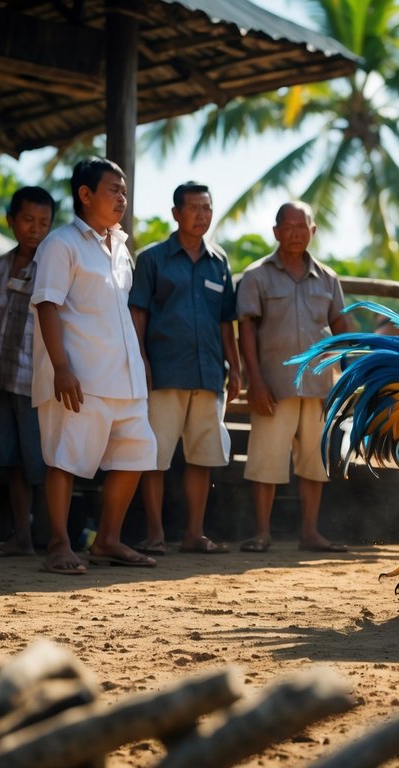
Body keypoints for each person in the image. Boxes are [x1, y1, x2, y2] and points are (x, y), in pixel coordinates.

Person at [31, 157, 158, 575]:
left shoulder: (121, 247)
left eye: (124, 190)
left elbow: (122, 315)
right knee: (65, 458)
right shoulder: (61, 244)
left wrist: (139, 362)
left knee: (137, 453)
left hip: (125, 377)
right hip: (80, 376)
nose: (122, 198)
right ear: (85, 195)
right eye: (113, 190)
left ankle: (107, 540)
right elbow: (48, 305)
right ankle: (58, 543)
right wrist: (62, 367)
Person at [129, 181, 241, 556]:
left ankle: (194, 534)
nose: (201, 215)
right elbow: (138, 313)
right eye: (193, 208)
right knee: (155, 457)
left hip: (210, 373)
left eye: (207, 208)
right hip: (164, 371)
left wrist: (235, 367)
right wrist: (141, 361)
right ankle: (155, 534)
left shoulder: (220, 261)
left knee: (203, 456)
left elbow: (227, 320)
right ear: (176, 213)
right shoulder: (152, 259)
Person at [236, 201, 350, 553]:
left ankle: (311, 533)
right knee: (266, 461)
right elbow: (247, 331)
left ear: (313, 231)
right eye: (288, 226)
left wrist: (346, 376)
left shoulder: (329, 279)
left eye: (302, 227)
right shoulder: (257, 276)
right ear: (275, 232)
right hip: (273, 386)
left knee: (314, 464)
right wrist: (253, 380)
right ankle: (261, 533)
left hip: (318, 386)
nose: (295, 233)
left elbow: (343, 326)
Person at [0, 187, 55, 557]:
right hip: (3, 378)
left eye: (43, 223)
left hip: (37, 381)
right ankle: (21, 535)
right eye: (27, 220)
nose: (34, 229)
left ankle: (53, 536)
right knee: (13, 459)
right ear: (11, 220)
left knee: (42, 461)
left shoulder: (54, 267)